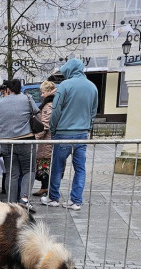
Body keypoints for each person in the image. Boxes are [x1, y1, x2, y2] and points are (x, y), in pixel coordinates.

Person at [41, 58, 98, 211]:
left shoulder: (65, 85)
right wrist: (87, 127)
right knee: (80, 169)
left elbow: (56, 111)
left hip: (63, 133)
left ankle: (53, 198)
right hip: (82, 133)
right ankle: (76, 201)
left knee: (57, 166)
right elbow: (93, 111)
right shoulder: (92, 87)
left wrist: (53, 129)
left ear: (69, 70)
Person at [0, 78, 39, 210]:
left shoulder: (0, 102)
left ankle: (11, 203)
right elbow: (36, 112)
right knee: (29, 170)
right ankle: (24, 199)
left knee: (11, 173)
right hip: (26, 140)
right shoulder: (27, 98)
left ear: (8, 89)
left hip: (6, 142)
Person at [31, 80, 57, 197]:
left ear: (49, 91)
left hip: (46, 140)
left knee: (43, 163)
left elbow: (45, 125)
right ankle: (44, 187)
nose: (42, 95)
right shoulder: (51, 102)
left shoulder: (49, 105)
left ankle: (46, 187)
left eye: (43, 92)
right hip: (46, 139)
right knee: (43, 164)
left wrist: (35, 137)